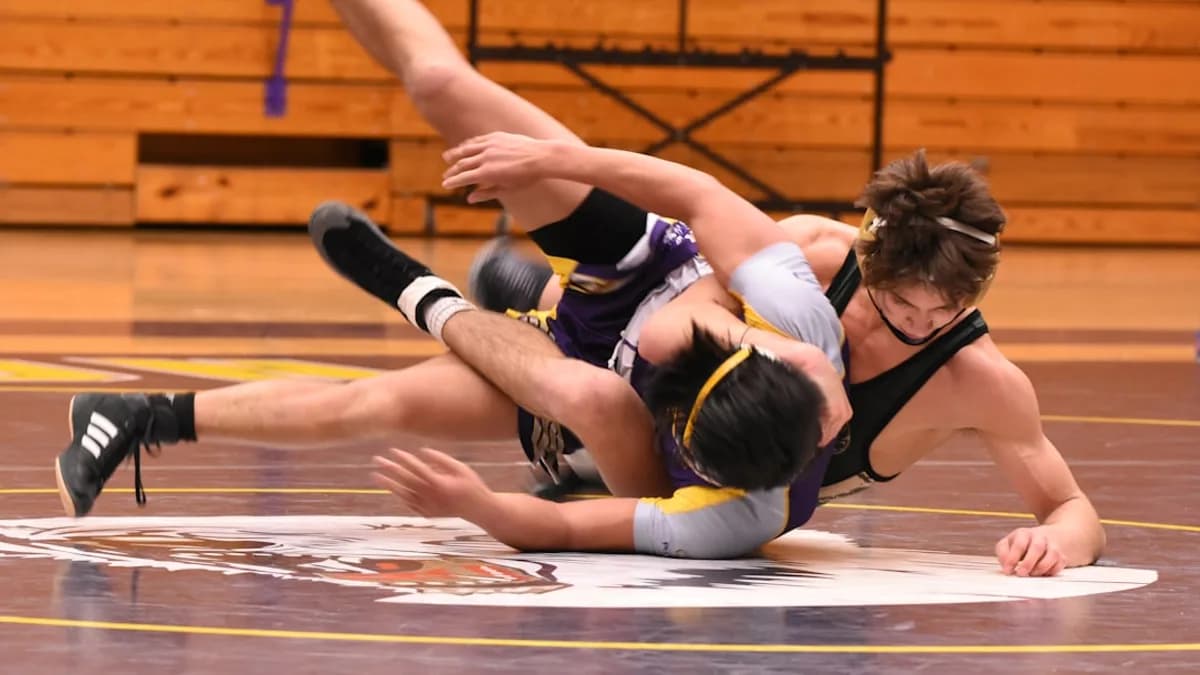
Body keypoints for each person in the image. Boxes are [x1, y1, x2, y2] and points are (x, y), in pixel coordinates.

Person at [52, 0, 850, 560]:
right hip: (642, 269)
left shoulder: (729, 519)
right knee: (443, 88)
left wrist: (478, 505)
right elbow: (702, 196)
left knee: (390, 404)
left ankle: (142, 414)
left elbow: (566, 530)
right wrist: (557, 159)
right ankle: (477, 292)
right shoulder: (801, 336)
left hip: (589, 392)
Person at [447, 137, 1107, 578]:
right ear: (870, 259)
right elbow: (672, 323)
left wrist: (1056, 541)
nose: (920, 325)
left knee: (670, 507)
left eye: (946, 311)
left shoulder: (981, 380)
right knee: (611, 332)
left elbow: (1071, 507)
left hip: (728, 472)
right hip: (667, 370)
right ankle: (531, 294)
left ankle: (530, 304)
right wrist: (797, 357)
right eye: (902, 304)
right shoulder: (815, 255)